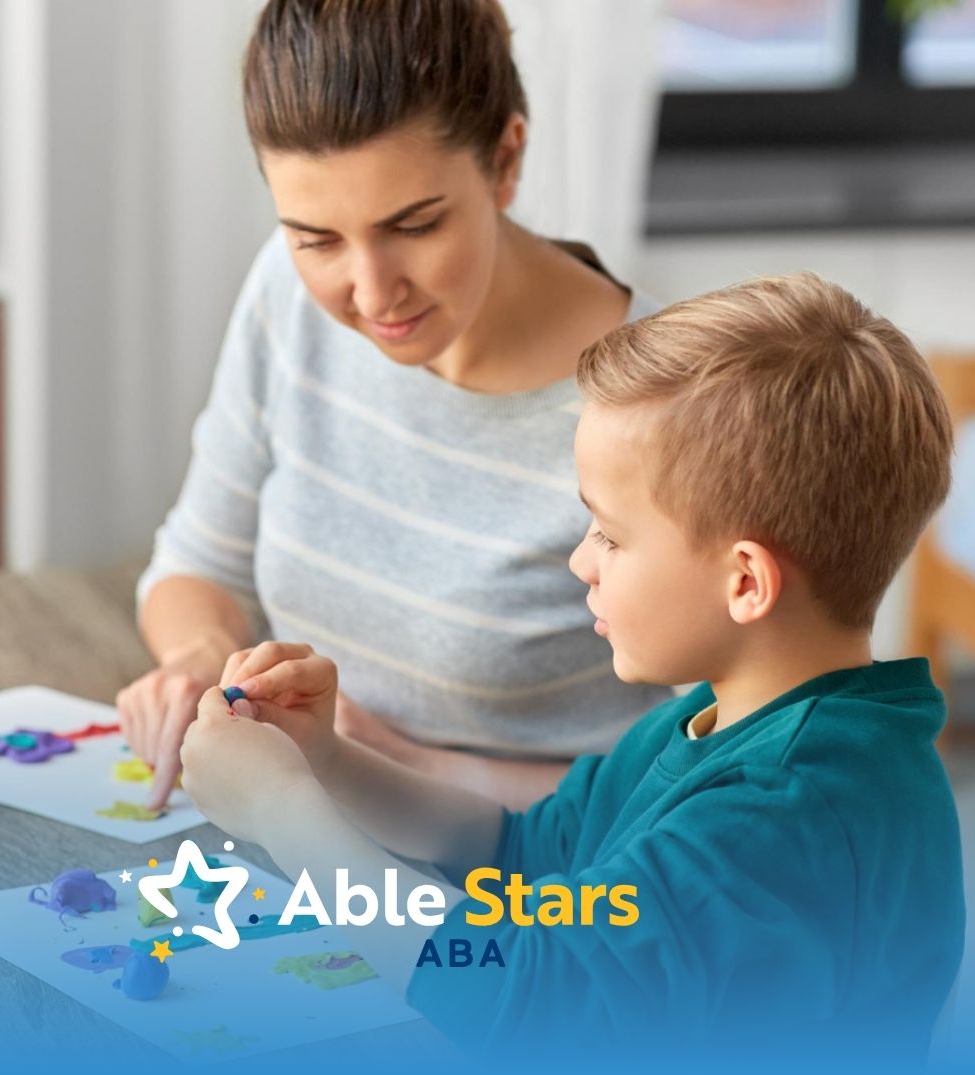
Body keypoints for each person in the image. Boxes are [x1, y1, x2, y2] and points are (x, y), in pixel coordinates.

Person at [178, 273, 966, 1067]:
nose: (581, 560)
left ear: (745, 582)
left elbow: (517, 999)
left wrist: (283, 813)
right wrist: (329, 761)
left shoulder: (786, 812)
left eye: (612, 535)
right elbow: (521, 852)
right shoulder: (724, 715)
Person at [119, 0, 668, 812]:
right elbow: (200, 562)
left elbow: (727, 777)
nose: (371, 293)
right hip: (315, 842)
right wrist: (199, 656)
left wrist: (398, 768)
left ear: (506, 159)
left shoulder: (663, 400)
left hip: (547, 894)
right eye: (317, 238)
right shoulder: (286, 292)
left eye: (414, 225)